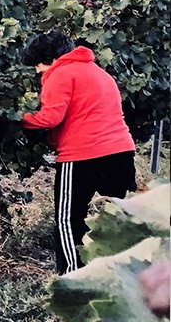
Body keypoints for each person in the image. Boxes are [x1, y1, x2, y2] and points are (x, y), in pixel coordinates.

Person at [20, 32, 137, 273]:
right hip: (121, 152)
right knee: (122, 217)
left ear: (51, 59)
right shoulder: (100, 73)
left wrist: (16, 119)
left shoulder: (60, 73)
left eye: (37, 64)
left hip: (82, 156)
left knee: (68, 220)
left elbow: (50, 117)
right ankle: (130, 273)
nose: (37, 71)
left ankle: (72, 278)